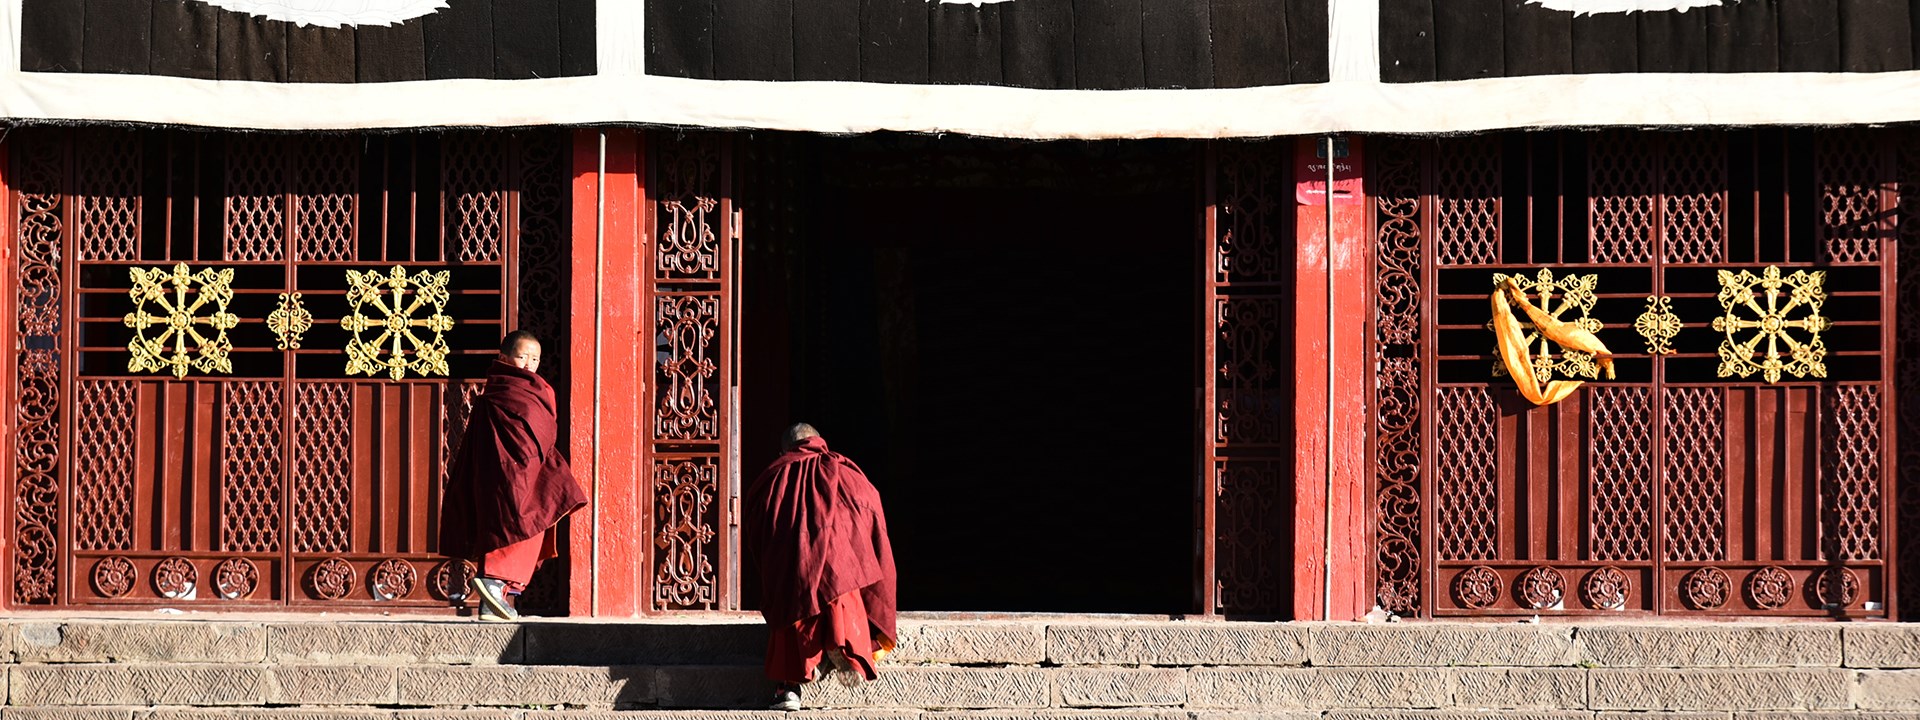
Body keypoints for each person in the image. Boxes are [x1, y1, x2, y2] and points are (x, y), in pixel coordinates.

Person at [744, 423, 898, 711]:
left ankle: (789, 688)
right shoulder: (850, 475)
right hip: (843, 581)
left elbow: (758, 534)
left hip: (795, 584)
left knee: (793, 593)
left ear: (785, 451)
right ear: (820, 442)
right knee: (841, 582)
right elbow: (874, 522)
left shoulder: (774, 478)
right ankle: (842, 646)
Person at [439, 330, 587, 621]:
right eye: (522, 357)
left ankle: (495, 597)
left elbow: (544, 427)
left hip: (530, 463)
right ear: (504, 358)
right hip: (507, 469)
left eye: (535, 358)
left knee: (529, 519)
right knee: (519, 518)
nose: (529, 364)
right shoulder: (498, 392)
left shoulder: (535, 388)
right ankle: (494, 581)